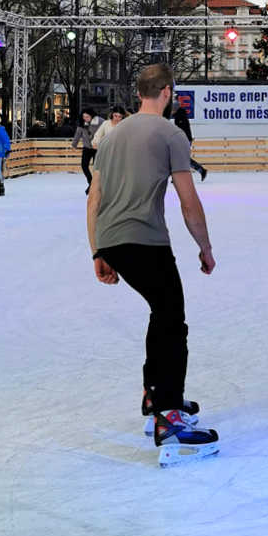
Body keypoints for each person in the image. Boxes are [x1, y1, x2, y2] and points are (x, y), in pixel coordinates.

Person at [87, 63, 220, 465]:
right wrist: (205, 246)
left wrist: (98, 251)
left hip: (112, 239)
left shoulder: (112, 137)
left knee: (160, 312)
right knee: (173, 320)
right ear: (166, 92)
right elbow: (188, 200)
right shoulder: (170, 134)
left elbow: (94, 197)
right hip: (145, 238)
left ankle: (155, 395)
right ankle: (171, 419)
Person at [71, 108, 104, 195]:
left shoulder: (100, 121)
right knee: (84, 165)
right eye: (83, 117)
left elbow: (106, 130)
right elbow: (78, 134)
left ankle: (96, 186)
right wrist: (74, 144)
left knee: (96, 168)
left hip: (97, 148)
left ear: (92, 116)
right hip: (87, 148)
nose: (85, 118)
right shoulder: (82, 123)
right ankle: (91, 183)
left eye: (87, 116)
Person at [171, 104, 207, 182]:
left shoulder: (180, 117)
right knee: (181, 158)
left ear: (175, 109)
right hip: (184, 139)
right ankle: (201, 170)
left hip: (184, 140)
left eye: (172, 110)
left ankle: (201, 170)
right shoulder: (179, 115)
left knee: (182, 159)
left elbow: (181, 130)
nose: (171, 111)